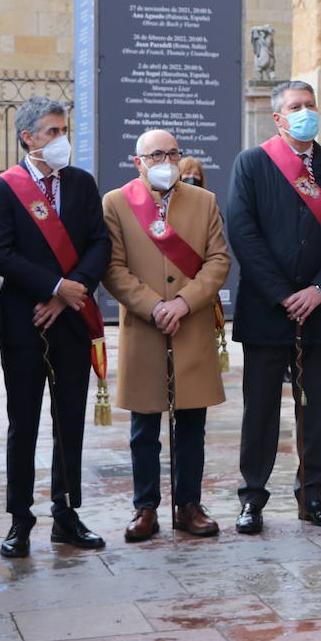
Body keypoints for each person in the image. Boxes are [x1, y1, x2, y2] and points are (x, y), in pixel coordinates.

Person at [225, 80, 321, 534]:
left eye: (311, 105)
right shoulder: (253, 163)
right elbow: (243, 233)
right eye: (296, 106)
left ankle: (312, 495)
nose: (306, 112)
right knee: (260, 409)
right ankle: (252, 498)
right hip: (267, 309)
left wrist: (320, 289)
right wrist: (285, 293)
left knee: (313, 407)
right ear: (278, 117)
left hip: (319, 309)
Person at [0, 97, 111, 557]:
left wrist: (74, 288)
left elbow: (100, 243)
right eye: (52, 132)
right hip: (25, 320)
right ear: (28, 138)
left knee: (69, 421)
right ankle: (20, 518)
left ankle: (66, 512)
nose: (62, 140)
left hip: (71, 321)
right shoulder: (4, 188)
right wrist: (55, 286)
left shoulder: (80, 183)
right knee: (24, 422)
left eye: (64, 130)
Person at [102, 130, 231, 542]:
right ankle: (145, 508)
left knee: (192, 421)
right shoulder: (117, 202)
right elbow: (113, 268)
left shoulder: (203, 201)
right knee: (144, 425)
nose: (167, 160)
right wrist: (154, 305)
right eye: (157, 154)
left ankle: (188, 504)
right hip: (145, 327)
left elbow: (217, 260)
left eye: (173, 153)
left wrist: (183, 302)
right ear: (137, 161)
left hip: (189, 324)